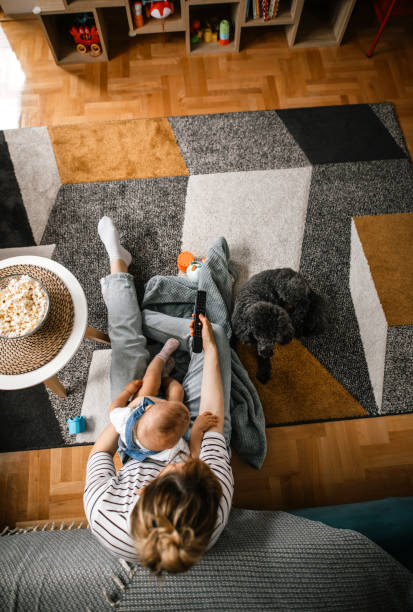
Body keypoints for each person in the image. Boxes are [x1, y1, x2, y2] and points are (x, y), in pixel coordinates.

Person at [84, 217, 234, 574]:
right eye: (189, 465)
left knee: (125, 341)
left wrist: (127, 412)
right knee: (217, 339)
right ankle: (184, 335)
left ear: (141, 492)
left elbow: (100, 452)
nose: (179, 460)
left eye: (176, 467)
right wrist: (211, 350)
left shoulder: (103, 513)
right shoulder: (214, 501)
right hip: (190, 433)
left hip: (133, 440)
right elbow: (213, 422)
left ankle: (119, 262)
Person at [109, 341, 219, 462]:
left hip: (140, 405)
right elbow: (194, 457)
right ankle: (165, 369)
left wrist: (127, 391)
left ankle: (163, 361)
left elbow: (113, 409)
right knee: (177, 390)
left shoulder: (123, 420)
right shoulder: (173, 450)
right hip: (151, 408)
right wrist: (197, 429)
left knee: (150, 380)